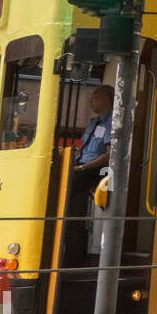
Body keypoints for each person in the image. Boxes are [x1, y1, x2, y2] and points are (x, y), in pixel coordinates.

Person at [66, 86, 112, 264]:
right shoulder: (93, 123)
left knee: (72, 186)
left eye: (95, 96)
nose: (91, 101)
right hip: (81, 166)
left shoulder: (111, 123)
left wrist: (83, 168)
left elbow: (108, 155)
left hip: (96, 169)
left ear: (106, 98)